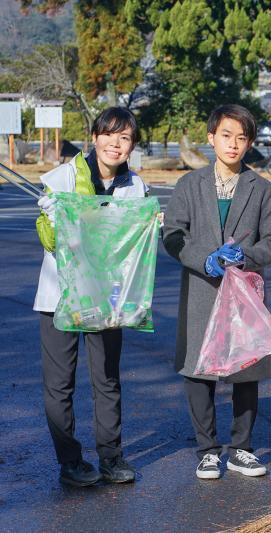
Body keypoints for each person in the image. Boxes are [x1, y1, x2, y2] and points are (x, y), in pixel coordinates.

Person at [162, 104, 271, 480]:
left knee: (245, 368)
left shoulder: (262, 189)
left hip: (244, 293)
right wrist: (205, 260)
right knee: (199, 368)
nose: (233, 144)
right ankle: (208, 449)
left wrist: (244, 257)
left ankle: (242, 448)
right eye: (226, 135)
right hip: (202, 288)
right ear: (211, 137)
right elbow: (173, 235)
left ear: (249, 144)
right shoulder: (189, 185)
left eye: (242, 138)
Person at [34, 107, 147, 486]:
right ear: (94, 136)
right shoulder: (62, 178)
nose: (116, 144)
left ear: (132, 145)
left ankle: (112, 458)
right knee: (60, 383)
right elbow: (50, 242)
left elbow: (135, 248)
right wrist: (52, 217)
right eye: (109, 134)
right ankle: (70, 462)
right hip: (60, 298)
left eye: (125, 137)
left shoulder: (136, 187)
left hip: (108, 299)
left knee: (107, 379)